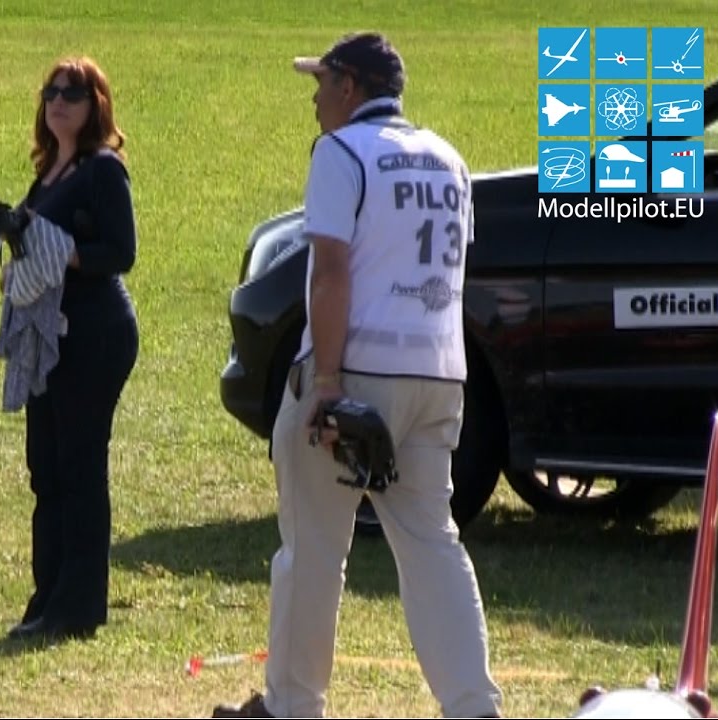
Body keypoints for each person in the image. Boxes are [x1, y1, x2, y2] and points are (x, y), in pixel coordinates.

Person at [213, 32, 504, 717]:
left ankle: (291, 707)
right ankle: (474, 707)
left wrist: (326, 383)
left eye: (322, 83)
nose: (315, 98)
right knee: (433, 546)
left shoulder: (341, 152)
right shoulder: (449, 158)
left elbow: (332, 273)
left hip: (357, 370)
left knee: (312, 552)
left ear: (350, 86)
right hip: (438, 374)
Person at [0, 56, 139, 642]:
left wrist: (62, 250)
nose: (58, 102)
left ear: (95, 105)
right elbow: (37, 248)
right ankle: (47, 598)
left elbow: (120, 253)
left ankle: (77, 608)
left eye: (72, 94)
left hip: (95, 335)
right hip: (48, 335)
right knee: (45, 469)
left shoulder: (103, 170)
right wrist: (16, 235)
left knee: (79, 468)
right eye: (51, 92)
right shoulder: (48, 171)